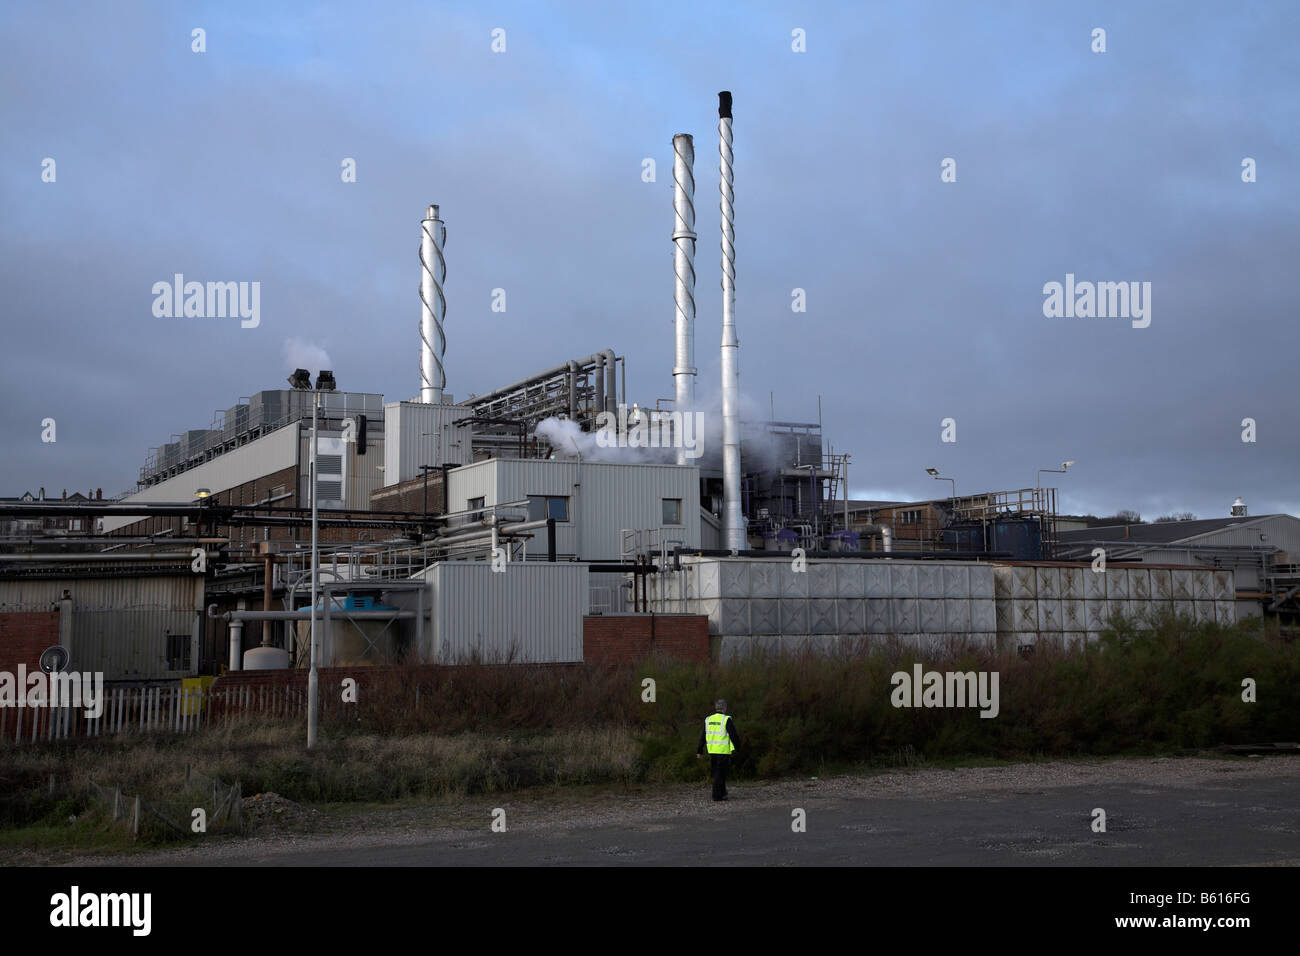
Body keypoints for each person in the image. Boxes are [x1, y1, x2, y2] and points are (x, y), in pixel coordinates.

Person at [697, 698, 740, 801]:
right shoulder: (726, 719)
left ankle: (723, 793)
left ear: (716, 708)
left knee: (717, 773)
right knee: (720, 774)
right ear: (724, 708)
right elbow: (734, 735)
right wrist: (738, 747)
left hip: (712, 751)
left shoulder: (708, 719)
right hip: (723, 751)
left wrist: (699, 750)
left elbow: (703, 735)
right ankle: (716, 796)